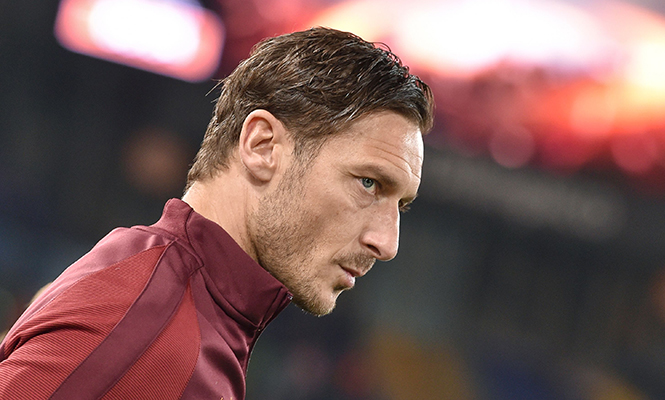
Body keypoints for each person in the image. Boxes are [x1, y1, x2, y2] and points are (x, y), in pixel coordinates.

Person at [0, 27, 434, 399]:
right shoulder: (151, 334)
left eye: (400, 205)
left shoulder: (168, 299)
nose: (388, 243)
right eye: (368, 183)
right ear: (262, 146)